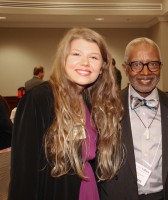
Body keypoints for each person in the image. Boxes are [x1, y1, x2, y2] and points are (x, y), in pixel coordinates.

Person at [9, 27, 124, 200]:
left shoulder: (92, 103)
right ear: (64, 60)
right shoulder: (40, 99)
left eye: (93, 57)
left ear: (102, 68)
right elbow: (23, 174)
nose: (85, 63)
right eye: (76, 54)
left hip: (89, 191)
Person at [100, 37, 168, 200]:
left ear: (160, 67)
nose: (146, 72)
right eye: (137, 65)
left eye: (153, 64)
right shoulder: (107, 108)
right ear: (125, 69)